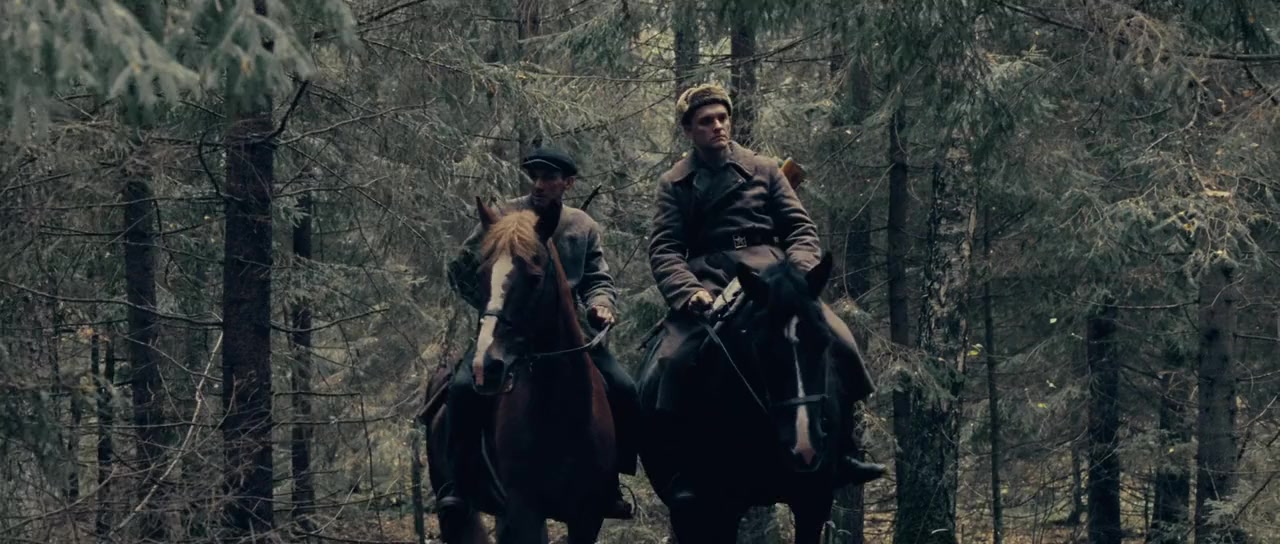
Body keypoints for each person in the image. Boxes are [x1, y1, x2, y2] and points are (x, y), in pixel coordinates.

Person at [646, 83, 887, 507]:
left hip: (774, 275)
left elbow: (799, 228)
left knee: (840, 339)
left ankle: (845, 449)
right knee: (673, 360)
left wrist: (799, 275)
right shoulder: (674, 183)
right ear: (688, 130)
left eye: (722, 118)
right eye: (706, 121)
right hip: (710, 280)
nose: (717, 126)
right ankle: (681, 467)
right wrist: (689, 291)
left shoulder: (765, 169)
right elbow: (665, 248)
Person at [439, 146, 637, 519]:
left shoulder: (582, 225)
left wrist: (600, 304)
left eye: (549, 177)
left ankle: (610, 482)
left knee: (625, 388)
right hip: (507, 332)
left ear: (568, 183)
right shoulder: (503, 217)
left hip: (569, 336)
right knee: (463, 388)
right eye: (535, 177)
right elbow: (462, 269)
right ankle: (459, 484)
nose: (540, 185)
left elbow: (597, 278)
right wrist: (492, 308)